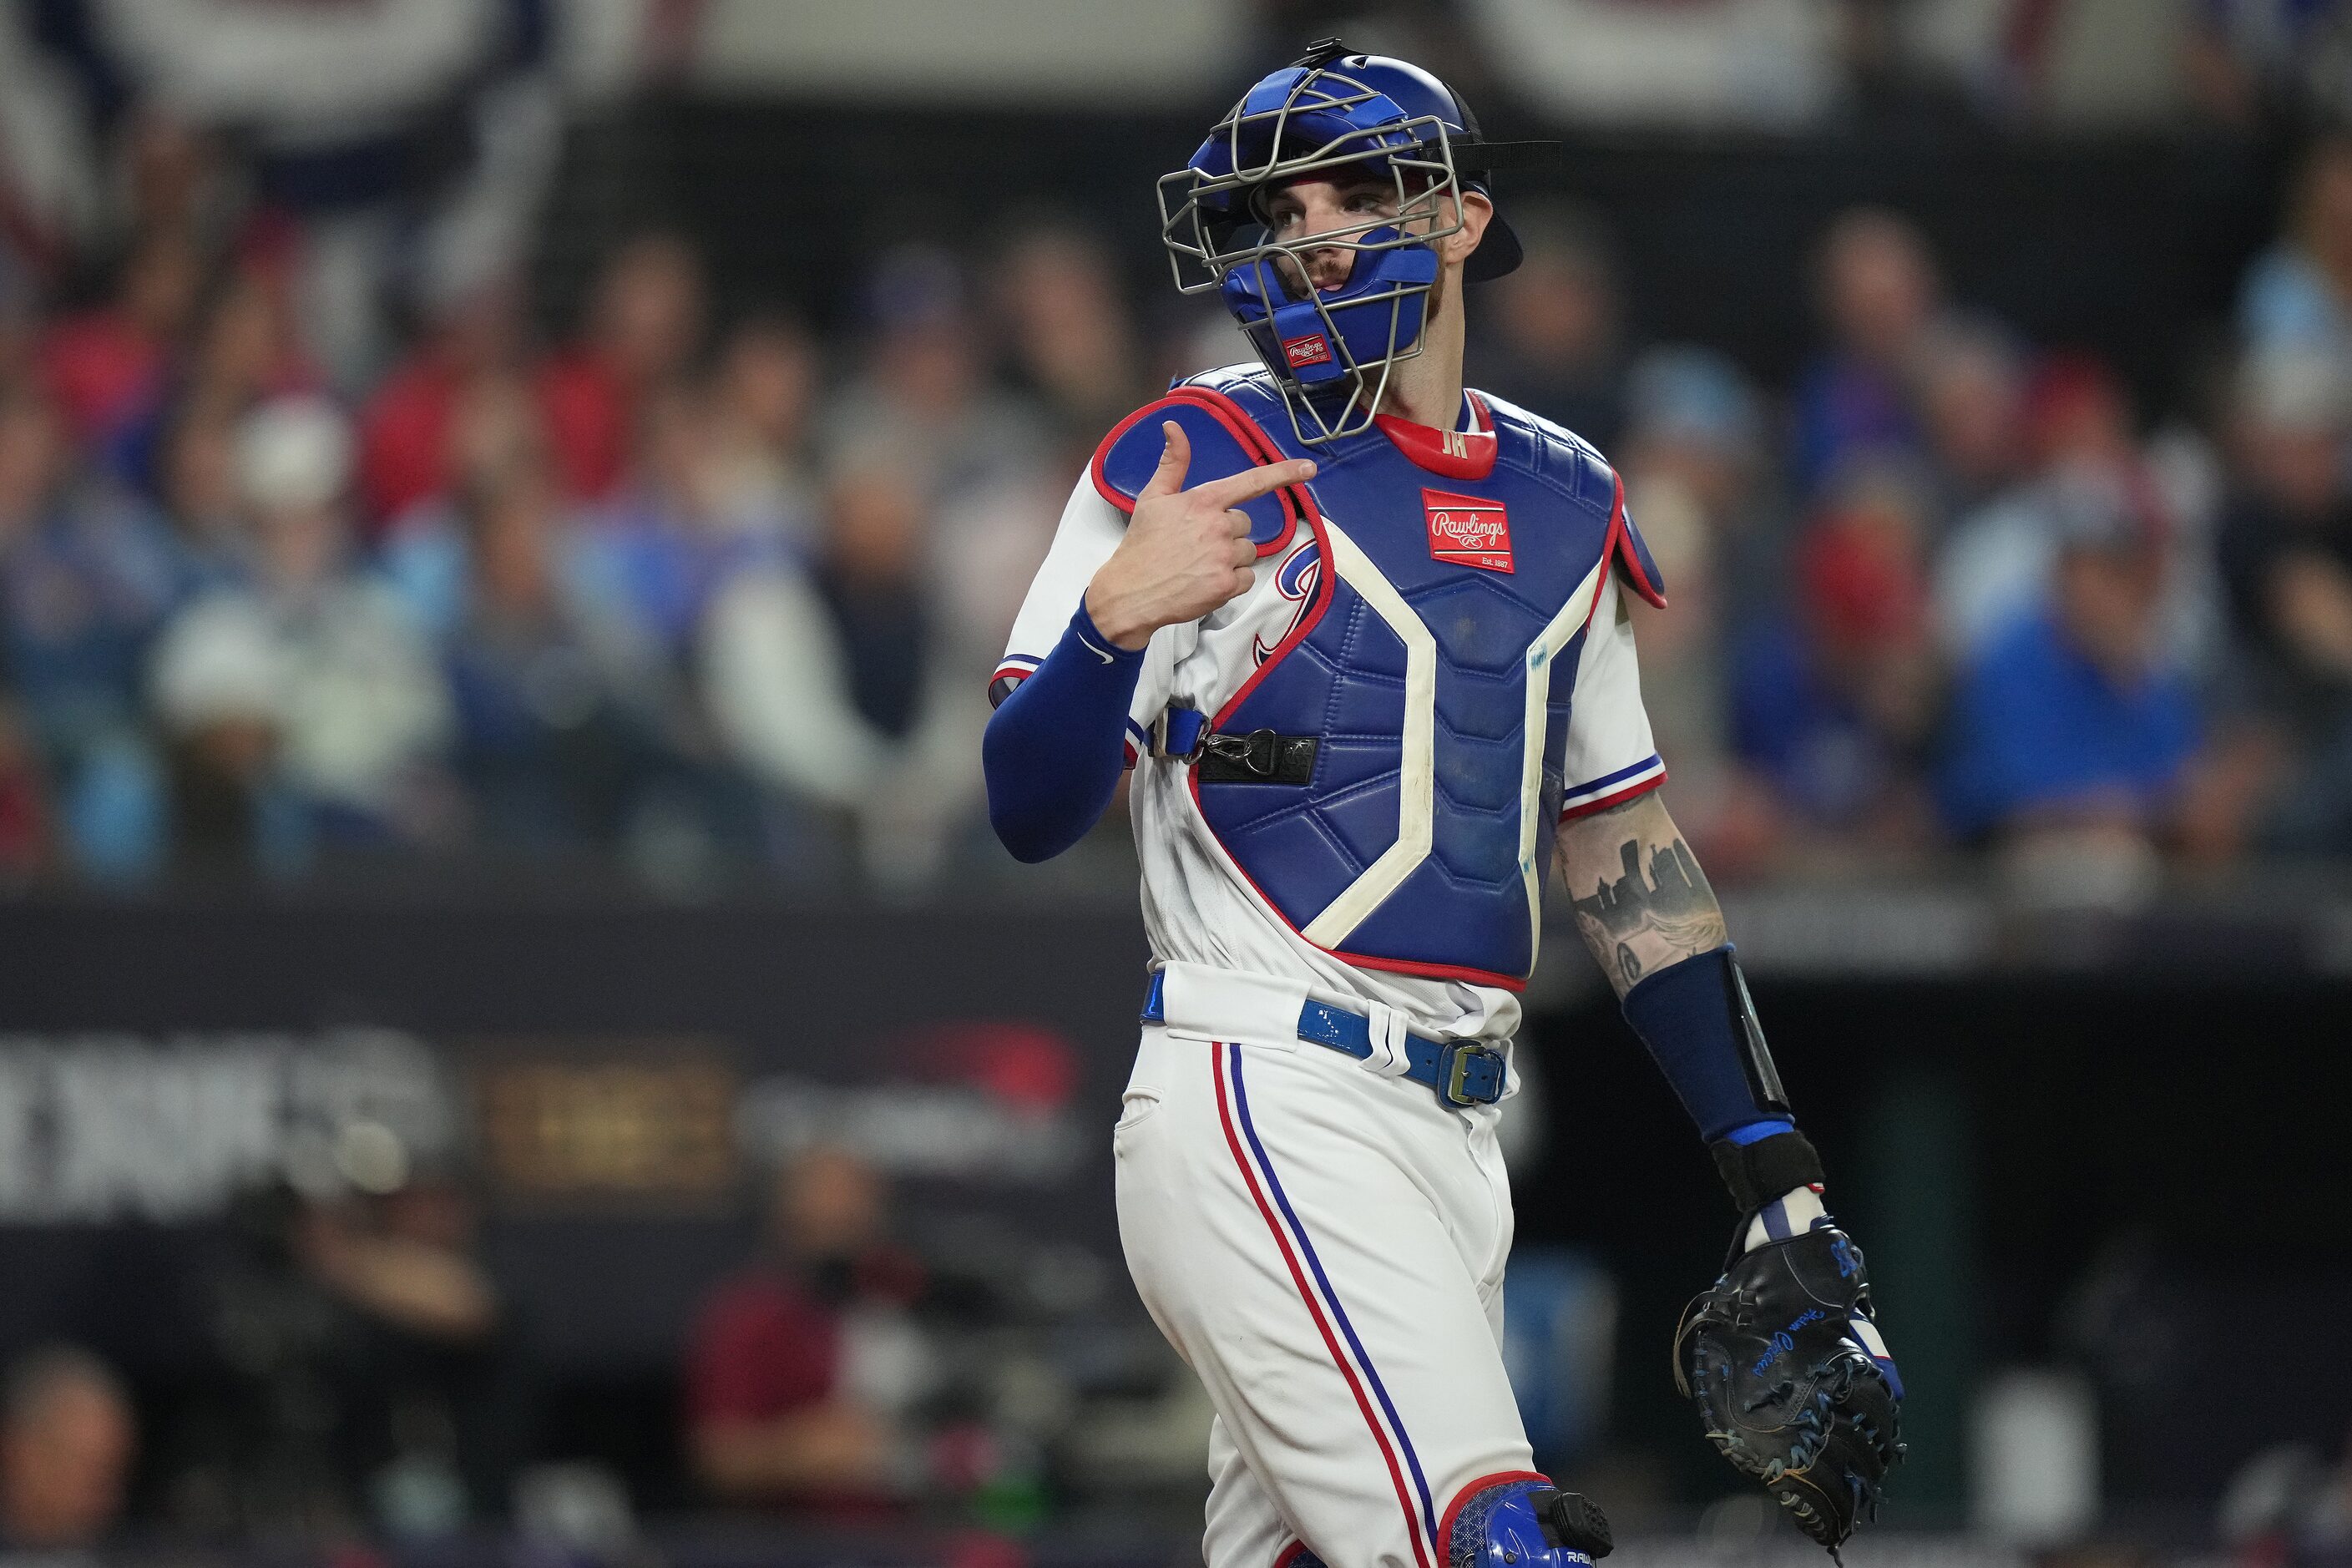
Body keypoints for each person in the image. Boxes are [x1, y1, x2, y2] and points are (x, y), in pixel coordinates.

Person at [980, 43, 1903, 1568]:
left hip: (1464, 1137)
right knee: (1492, 1541)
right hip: (1264, 1090)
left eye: (1350, 195)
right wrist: (1109, 628)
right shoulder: (1188, 453)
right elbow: (1024, 806)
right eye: (1276, 210)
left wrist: (1771, 1166)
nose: (1308, 235)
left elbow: (1626, 849)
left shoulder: (1565, 492)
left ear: (1462, 221)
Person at [685, 1146, 931, 1510]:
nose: (838, 1215)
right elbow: (719, 1458)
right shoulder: (750, 1318)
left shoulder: (916, 1308)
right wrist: (799, 1452)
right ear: (787, 1216)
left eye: (852, 1204)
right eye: (824, 1203)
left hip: (912, 1538)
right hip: (795, 1542)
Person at [0, 1346, 135, 1559]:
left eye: (114, 1472)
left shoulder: (133, 1553)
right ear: (18, 1452)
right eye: (83, 1466)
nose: (106, 1494)